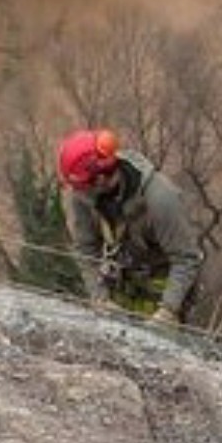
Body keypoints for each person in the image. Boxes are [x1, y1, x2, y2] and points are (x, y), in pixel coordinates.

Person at [57, 128, 205, 324]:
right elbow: (85, 248)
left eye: (83, 187)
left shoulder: (160, 199)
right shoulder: (84, 197)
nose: (79, 192)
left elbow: (186, 258)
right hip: (124, 282)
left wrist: (168, 311)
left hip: (165, 286)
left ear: (99, 179)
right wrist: (100, 298)